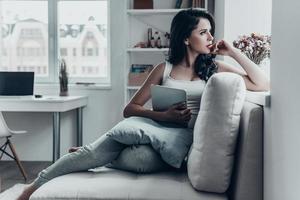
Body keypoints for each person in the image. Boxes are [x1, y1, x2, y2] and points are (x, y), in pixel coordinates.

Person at [17, 9, 269, 200]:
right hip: (151, 127)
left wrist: (234, 52)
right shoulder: (164, 69)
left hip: (178, 141)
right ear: (185, 38)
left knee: (141, 160)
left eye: (210, 31)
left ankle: (94, 154)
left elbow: (261, 84)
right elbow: (130, 109)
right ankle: (32, 188)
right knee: (95, 152)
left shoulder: (214, 70)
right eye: (203, 32)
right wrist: (166, 116)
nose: (210, 37)